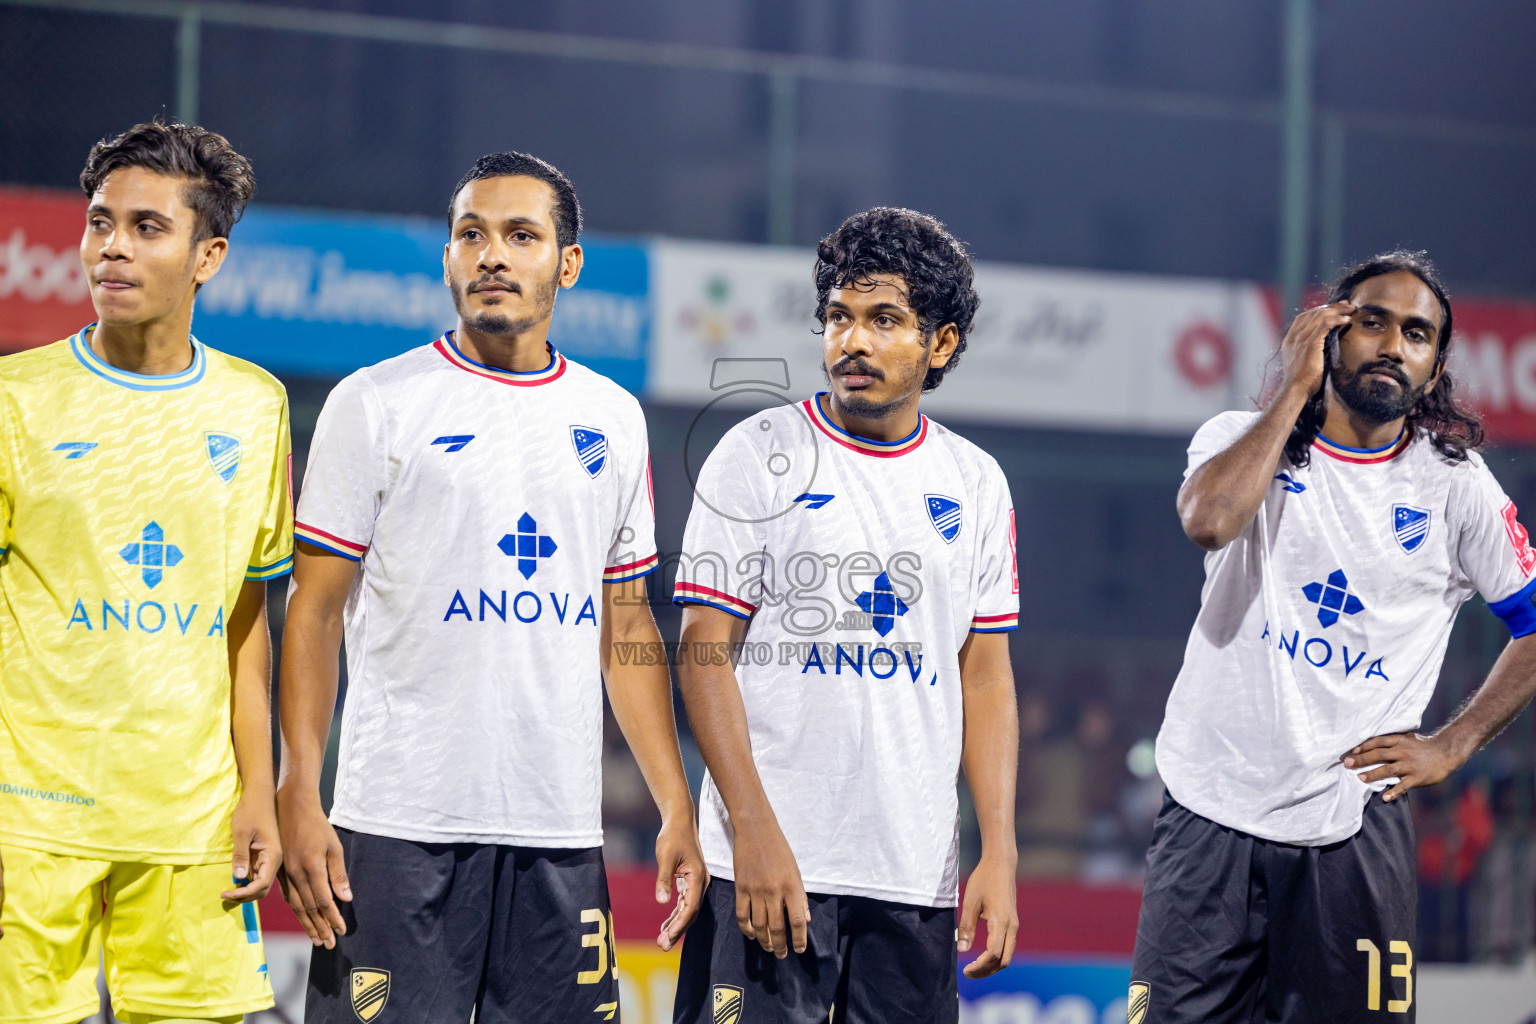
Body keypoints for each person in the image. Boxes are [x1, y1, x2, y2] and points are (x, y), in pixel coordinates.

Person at [276, 150, 707, 1023]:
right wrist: (298, 787)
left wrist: (675, 807)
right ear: (446, 259)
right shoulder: (376, 402)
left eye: (521, 235)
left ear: (568, 263)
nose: (492, 256)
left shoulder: (612, 418)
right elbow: (314, 611)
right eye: (470, 235)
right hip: (397, 828)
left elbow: (625, 625)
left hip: (558, 837)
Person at [1131, 250, 1536, 1023]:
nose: (1392, 345)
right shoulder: (1238, 437)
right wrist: (1292, 392)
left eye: (1416, 334)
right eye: (1371, 322)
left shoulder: (1454, 487)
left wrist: (1452, 744)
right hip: (1206, 811)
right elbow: (1209, 521)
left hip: (1353, 829)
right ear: (1326, 333)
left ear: (1435, 362)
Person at [671, 207, 1021, 1024]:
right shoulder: (757, 451)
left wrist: (999, 850)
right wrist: (751, 832)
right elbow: (702, 651)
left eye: (884, 320)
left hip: (912, 878)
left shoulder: (976, 483)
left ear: (942, 344)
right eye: (839, 316)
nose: (851, 342)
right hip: (766, 868)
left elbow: (986, 672)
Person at [0, 121, 289, 1023]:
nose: (111, 247)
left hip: (189, 821)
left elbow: (246, 623)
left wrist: (261, 793)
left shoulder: (255, 407)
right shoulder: (16, 398)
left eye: (146, 227)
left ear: (209, 256)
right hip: (29, 819)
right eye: (99, 222)